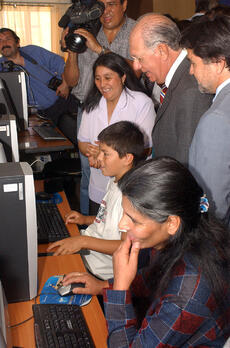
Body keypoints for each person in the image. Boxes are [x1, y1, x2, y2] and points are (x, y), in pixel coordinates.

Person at [62, 157, 230, 347]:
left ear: (172, 223)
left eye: (134, 220)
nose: (121, 225)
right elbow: (153, 277)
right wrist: (102, 286)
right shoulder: (178, 240)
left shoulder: (187, 294)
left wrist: (120, 289)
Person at [62, 0, 137, 215]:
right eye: (101, 5)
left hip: (127, 113)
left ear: (124, 4)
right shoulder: (86, 29)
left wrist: (98, 49)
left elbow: (136, 73)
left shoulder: (135, 30)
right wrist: (73, 51)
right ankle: (90, 227)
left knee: (126, 174)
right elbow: (71, 80)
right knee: (89, 172)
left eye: (112, 4)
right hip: (90, 110)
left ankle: (120, 225)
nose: (105, 11)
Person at [47, 121, 145, 280]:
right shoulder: (115, 180)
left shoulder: (132, 196)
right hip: (87, 252)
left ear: (127, 158)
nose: (99, 158)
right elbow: (108, 221)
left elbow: (125, 246)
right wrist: (85, 219)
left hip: (97, 271)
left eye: (105, 154)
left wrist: (83, 241)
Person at [129, 13, 213, 166]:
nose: (136, 66)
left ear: (162, 50)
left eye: (139, 58)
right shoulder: (178, 79)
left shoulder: (191, 89)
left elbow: (187, 163)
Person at [77, 52, 155, 214]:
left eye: (108, 77)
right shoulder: (92, 105)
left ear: (123, 77)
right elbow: (83, 142)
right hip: (98, 187)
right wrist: (92, 153)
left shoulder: (141, 103)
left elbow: (145, 149)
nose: (102, 84)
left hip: (130, 188)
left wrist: (104, 153)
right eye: (97, 78)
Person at [180, 15, 230, 228]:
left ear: (218, 63)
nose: (191, 71)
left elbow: (213, 203)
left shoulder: (216, 120)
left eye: (193, 63)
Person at [0, 28, 74, 125]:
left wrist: (65, 83)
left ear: (17, 43)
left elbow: (60, 63)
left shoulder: (33, 51)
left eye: (8, 39)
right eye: (0, 41)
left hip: (63, 100)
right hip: (40, 115)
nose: (4, 43)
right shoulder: (0, 64)